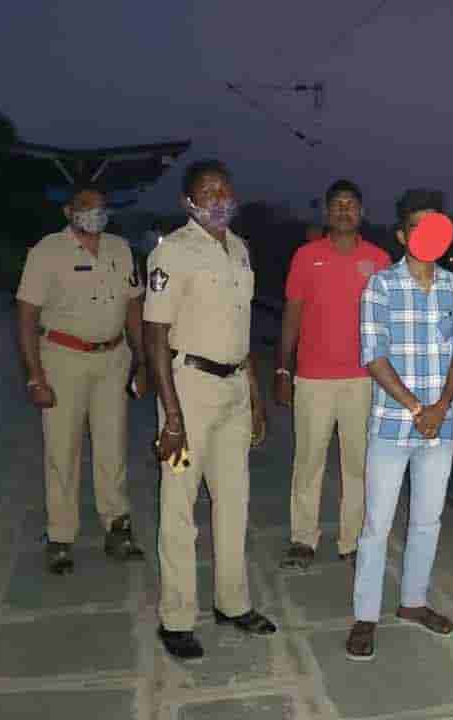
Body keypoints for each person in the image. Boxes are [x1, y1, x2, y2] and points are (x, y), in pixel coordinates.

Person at [144, 159, 277, 661]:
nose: (219, 199)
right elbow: (155, 334)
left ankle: (232, 602)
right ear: (188, 201)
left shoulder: (239, 249)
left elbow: (242, 331)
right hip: (189, 388)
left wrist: (255, 398)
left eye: (225, 189)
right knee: (179, 506)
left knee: (234, 500)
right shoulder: (173, 252)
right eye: (208, 191)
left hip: (234, 390)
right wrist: (172, 416)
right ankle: (177, 618)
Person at [345, 189, 453, 662]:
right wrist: (419, 408)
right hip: (392, 424)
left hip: (442, 425)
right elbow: (373, 356)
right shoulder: (380, 286)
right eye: (418, 226)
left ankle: (413, 602)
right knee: (376, 524)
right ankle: (365, 615)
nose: (428, 235)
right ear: (402, 235)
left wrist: (440, 406)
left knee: (427, 519)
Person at [14, 185, 148, 575]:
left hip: (113, 359)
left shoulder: (120, 249)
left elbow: (133, 305)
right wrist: (35, 376)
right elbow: (26, 316)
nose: (95, 213)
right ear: (68, 211)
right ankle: (60, 536)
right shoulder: (47, 251)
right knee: (62, 448)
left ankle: (117, 525)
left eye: (101, 207)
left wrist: (141, 360)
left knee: (113, 444)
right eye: (86, 207)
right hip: (63, 359)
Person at [275, 180, 391, 571]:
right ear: (326, 212)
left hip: (363, 379)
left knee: (358, 464)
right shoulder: (307, 256)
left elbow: (387, 321)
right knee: (308, 461)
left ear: (362, 212)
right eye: (337, 204)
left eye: (351, 204)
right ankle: (303, 538)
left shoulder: (379, 259)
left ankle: (352, 541)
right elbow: (292, 314)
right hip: (313, 378)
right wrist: (282, 367)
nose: (344, 210)